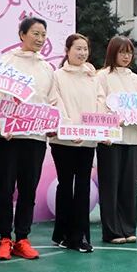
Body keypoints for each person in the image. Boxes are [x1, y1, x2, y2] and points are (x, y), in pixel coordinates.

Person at [0, 17, 54, 261]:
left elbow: (51, 101)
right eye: (35, 33)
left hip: (35, 138)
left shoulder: (46, 68)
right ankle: (4, 238)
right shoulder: (6, 62)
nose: (40, 39)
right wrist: (1, 126)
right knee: (5, 189)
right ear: (22, 34)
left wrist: (51, 125)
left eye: (43, 34)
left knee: (28, 189)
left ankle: (23, 238)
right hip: (9, 137)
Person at [49, 33, 101, 252]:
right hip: (63, 141)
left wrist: (96, 128)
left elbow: (100, 101)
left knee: (82, 187)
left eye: (85, 49)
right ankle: (62, 234)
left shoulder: (93, 76)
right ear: (67, 50)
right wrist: (70, 128)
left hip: (87, 140)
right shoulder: (57, 76)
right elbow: (55, 102)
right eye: (78, 48)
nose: (82, 52)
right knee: (64, 185)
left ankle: (79, 237)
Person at [96, 36, 137, 244]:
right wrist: (116, 120)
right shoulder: (103, 76)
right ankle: (112, 231)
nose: (126, 56)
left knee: (129, 186)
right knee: (111, 185)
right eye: (122, 52)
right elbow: (99, 106)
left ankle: (129, 227)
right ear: (113, 52)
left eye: (129, 52)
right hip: (111, 139)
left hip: (132, 137)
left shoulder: (135, 78)